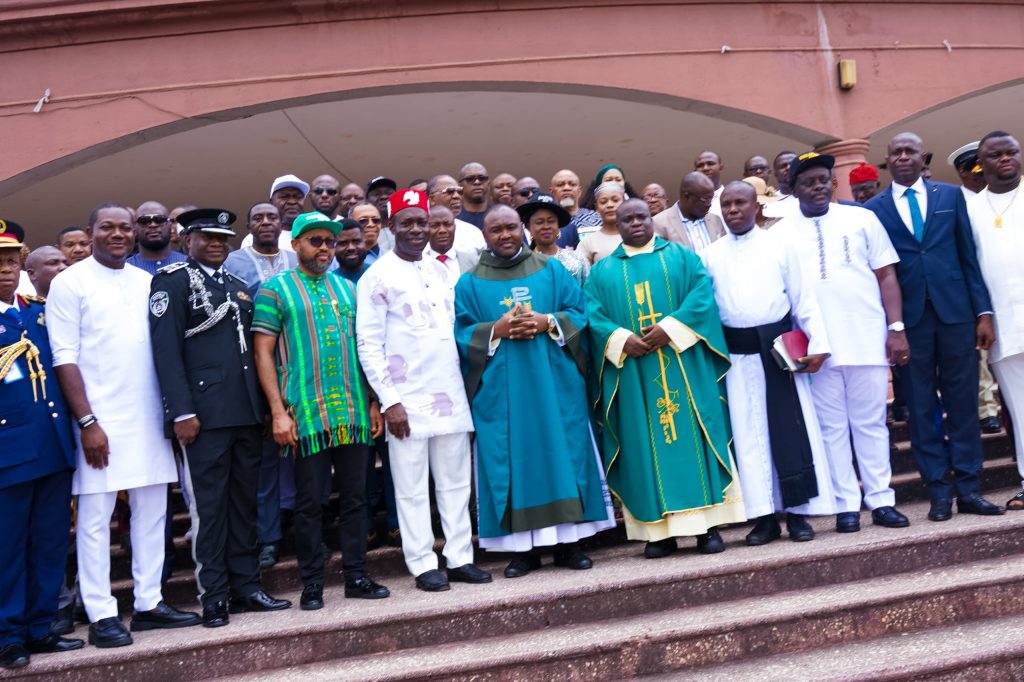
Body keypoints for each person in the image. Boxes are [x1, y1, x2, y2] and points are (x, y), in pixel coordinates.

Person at [47, 203, 201, 648]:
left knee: (153, 513)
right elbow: (64, 356)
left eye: (124, 227)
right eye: (106, 227)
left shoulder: (148, 281)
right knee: (95, 519)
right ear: (90, 232)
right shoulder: (68, 283)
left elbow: (165, 350)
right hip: (99, 419)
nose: (117, 234)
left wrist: (174, 412)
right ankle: (100, 613)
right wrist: (88, 421)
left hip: (149, 415)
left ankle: (150, 604)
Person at [149, 209, 291, 628]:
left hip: (245, 414)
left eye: (222, 238)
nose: (216, 244)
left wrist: (265, 409)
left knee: (244, 505)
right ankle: (213, 594)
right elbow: (166, 353)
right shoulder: (172, 283)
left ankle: (247, 586)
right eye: (207, 236)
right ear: (186, 239)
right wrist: (182, 411)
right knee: (209, 511)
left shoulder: (237, 286)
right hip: (204, 417)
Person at [455, 205, 615, 577]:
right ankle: (522, 552)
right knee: (513, 459)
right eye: (496, 230)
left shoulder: (553, 270)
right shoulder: (470, 282)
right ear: (485, 236)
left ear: (521, 229)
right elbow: (462, 333)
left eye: (511, 227)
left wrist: (548, 322)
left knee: (563, 453)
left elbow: (580, 313)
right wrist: (496, 330)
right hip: (503, 391)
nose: (505, 235)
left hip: (553, 383)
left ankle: (570, 544)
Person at [586, 198, 745, 558]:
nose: (636, 223)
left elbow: (701, 299)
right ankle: (657, 535)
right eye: (627, 219)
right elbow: (591, 315)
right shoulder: (603, 271)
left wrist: (669, 329)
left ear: (651, 220)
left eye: (642, 216)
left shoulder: (682, 258)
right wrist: (621, 339)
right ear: (616, 223)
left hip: (683, 364)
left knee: (696, 439)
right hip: (634, 371)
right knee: (641, 445)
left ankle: (707, 529)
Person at [252, 211, 390, 610]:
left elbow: (367, 347)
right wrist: (277, 412)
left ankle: (356, 576)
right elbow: (263, 354)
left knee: (356, 498)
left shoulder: (349, 289)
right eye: (316, 241)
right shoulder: (275, 291)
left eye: (329, 242)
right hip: (305, 416)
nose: (325, 248)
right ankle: (312, 583)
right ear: (295, 245)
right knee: (310, 503)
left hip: (353, 412)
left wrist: (374, 401)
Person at [357, 189, 491, 592]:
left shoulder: (442, 270)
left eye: (423, 223)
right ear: (390, 227)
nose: (417, 230)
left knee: (455, 483)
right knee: (412, 486)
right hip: (406, 399)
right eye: (408, 223)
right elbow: (368, 342)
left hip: (449, 390)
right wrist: (389, 401)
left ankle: (459, 557)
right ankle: (421, 562)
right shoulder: (376, 276)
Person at [865, 133, 1003, 521]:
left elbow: (968, 256)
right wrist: (890, 326)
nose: (904, 157)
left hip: (956, 315)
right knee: (922, 408)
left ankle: (970, 488)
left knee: (963, 405)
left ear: (921, 157)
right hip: (908, 325)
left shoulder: (949, 196)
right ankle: (939, 492)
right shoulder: (874, 209)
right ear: (888, 160)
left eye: (911, 151)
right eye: (897, 152)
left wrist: (983, 312)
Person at [775, 152, 911, 532]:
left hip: (867, 336)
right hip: (817, 347)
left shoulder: (862, 218)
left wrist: (896, 327)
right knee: (831, 428)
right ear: (794, 188)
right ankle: (846, 504)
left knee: (870, 423)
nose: (817, 187)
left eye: (823, 180)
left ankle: (882, 500)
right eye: (808, 182)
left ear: (834, 183)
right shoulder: (781, 232)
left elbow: (886, 275)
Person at [703, 182, 838, 544]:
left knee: (791, 429)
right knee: (749, 437)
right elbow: (709, 309)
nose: (733, 210)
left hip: (779, 352)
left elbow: (803, 298)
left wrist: (819, 344)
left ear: (755, 206)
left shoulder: (781, 245)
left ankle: (798, 514)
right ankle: (763, 517)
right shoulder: (711, 255)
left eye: (740, 203)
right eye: (727, 204)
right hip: (738, 356)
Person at [0, 227, 82, 670]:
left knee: (49, 542)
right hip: (7, 453)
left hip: (52, 448)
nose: (5, 271)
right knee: (7, 548)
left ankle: (40, 626)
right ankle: (8, 634)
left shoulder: (38, 313)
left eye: (11, 262)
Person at [223, 202, 298, 569]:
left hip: (299, 365)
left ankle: (303, 528)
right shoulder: (234, 262)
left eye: (271, 217)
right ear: (249, 226)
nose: (266, 222)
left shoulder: (296, 256)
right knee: (267, 459)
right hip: (255, 367)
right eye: (258, 218)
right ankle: (269, 537)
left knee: (304, 454)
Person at [966, 131, 1024, 509]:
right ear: (980, 164)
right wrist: (981, 316)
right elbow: (969, 269)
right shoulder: (969, 208)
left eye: (1012, 152)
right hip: (1003, 324)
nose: (1005, 159)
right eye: (995, 155)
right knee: (1020, 407)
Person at [949, 142, 1001, 434]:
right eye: (975, 172)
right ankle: (987, 408)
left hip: (1004, 285)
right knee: (980, 354)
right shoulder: (959, 203)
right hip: (973, 288)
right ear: (962, 173)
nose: (981, 177)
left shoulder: (999, 199)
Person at [520, 193, 589, 286]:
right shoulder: (523, 264)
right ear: (529, 227)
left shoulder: (577, 259)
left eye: (551, 221)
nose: (546, 226)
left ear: (558, 226)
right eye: (539, 222)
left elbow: (589, 294)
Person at [652, 172, 726, 252]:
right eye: (705, 200)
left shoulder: (715, 220)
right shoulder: (658, 223)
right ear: (687, 196)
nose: (709, 204)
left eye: (711, 199)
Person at [241, 174, 311, 252]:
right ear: (272, 202)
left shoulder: (314, 236)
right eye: (284, 197)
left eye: (298, 197)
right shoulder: (252, 239)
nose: (292, 202)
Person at [425, 175, 486, 254]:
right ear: (432, 199)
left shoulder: (473, 232)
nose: (457, 196)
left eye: (460, 192)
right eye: (450, 192)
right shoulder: (417, 232)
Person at [126, 201, 188, 275]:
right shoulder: (124, 268)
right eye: (144, 220)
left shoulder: (189, 264)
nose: (153, 225)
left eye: (159, 219)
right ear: (134, 227)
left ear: (170, 225)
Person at [425, 205, 480, 283]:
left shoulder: (475, 261)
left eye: (447, 224)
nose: (442, 230)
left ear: (455, 227)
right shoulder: (419, 263)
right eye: (435, 225)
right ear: (426, 229)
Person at [550, 169, 602, 247]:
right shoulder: (548, 222)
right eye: (560, 185)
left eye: (572, 184)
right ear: (552, 192)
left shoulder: (598, 218)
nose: (566, 188)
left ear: (579, 191)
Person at [577, 182, 625, 264]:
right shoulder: (588, 242)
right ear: (597, 207)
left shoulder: (636, 236)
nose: (609, 205)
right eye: (603, 202)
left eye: (615, 200)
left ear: (624, 202)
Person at [334, 218, 372, 283]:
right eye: (343, 243)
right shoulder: (327, 282)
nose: (351, 248)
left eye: (356, 241)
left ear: (365, 242)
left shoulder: (379, 275)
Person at [350, 202, 387, 267]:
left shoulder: (391, 257)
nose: (371, 224)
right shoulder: (337, 260)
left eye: (375, 220)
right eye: (363, 221)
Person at [457, 162, 492, 229]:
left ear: (488, 184)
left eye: (482, 178)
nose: (477, 182)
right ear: (460, 185)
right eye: (470, 179)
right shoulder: (452, 218)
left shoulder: (498, 215)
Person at [694, 151, 725, 217]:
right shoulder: (689, 203)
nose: (705, 168)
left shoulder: (730, 198)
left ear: (721, 168)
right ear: (695, 171)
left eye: (710, 163)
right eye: (700, 165)